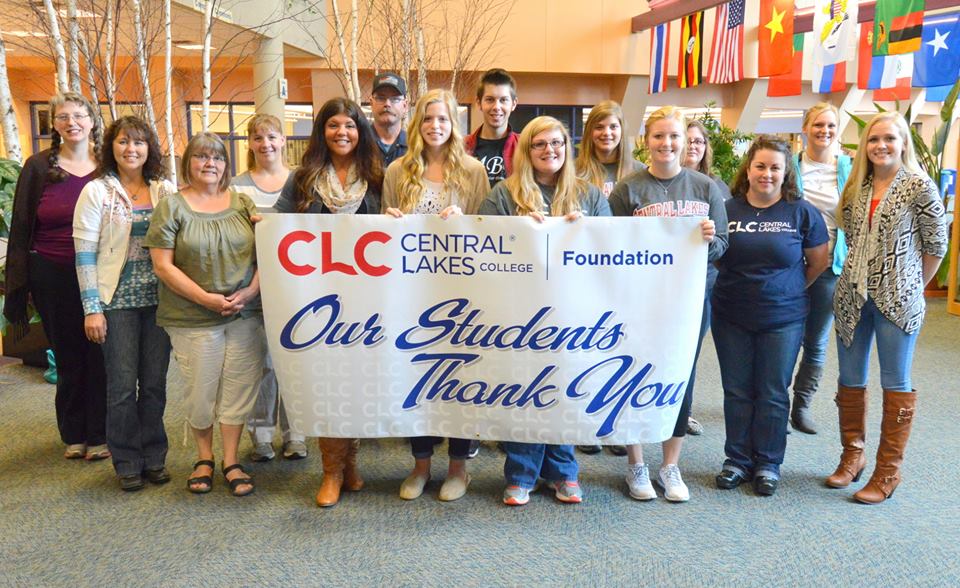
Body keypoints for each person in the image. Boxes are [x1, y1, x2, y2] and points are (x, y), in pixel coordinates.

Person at [480, 115, 611, 506]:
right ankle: (521, 471)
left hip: (573, 311)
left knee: (564, 385)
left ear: (567, 148)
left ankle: (563, 470)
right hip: (519, 310)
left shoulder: (589, 195)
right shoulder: (504, 193)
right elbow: (483, 240)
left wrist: (585, 230)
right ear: (527, 150)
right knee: (523, 388)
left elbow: (612, 248)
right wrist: (517, 230)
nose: (549, 150)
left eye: (556, 143)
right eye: (539, 144)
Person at [608, 106, 727, 503]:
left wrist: (710, 240)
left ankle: (669, 465)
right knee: (634, 373)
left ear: (685, 141)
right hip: (639, 302)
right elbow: (611, 247)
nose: (667, 144)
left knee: (680, 374)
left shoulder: (705, 188)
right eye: (658, 136)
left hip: (690, 302)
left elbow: (725, 245)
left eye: (674, 136)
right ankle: (636, 463)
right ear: (647, 140)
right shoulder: (628, 189)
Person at [830, 112, 947, 504]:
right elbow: (849, 234)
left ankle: (887, 472)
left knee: (895, 383)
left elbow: (936, 247)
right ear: (865, 146)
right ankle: (853, 455)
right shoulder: (857, 187)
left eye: (889, 139)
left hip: (898, 300)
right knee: (850, 379)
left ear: (903, 144)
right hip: (852, 296)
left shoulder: (919, 187)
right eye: (873, 139)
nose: (881, 146)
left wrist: (913, 282)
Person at [275, 97, 383, 507]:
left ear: (361, 132)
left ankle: (351, 463)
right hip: (317, 301)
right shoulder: (303, 178)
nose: (342, 133)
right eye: (334, 125)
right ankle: (331, 471)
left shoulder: (377, 177)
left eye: (350, 126)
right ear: (322, 131)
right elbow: (280, 224)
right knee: (329, 383)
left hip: (368, 301)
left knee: (357, 383)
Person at [383, 88, 489, 502]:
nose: (435, 126)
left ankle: (459, 468)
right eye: (428, 119)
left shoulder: (474, 171)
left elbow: (488, 229)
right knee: (419, 376)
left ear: (453, 125)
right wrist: (389, 219)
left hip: (462, 291)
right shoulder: (398, 171)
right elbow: (385, 233)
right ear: (417, 124)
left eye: (442, 119)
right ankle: (421, 464)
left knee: (460, 377)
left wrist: (467, 221)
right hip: (412, 293)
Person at [144, 132, 264, 497]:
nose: (209, 163)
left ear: (227, 165)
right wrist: (207, 299)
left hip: (245, 313)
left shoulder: (243, 203)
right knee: (200, 390)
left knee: (238, 387)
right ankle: (203, 457)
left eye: (217, 157)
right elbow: (163, 266)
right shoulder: (172, 206)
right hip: (192, 316)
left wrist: (251, 290)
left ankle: (230, 460)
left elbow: (266, 253)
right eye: (201, 156)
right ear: (188, 163)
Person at [712, 136, 829, 496]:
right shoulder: (727, 209)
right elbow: (715, 253)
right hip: (731, 313)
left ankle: (767, 463)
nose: (767, 173)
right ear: (748, 169)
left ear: (786, 173)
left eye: (775, 167)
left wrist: (786, 290)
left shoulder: (802, 211)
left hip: (784, 317)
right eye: (760, 166)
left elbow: (818, 262)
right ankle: (736, 460)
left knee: (773, 392)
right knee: (737, 391)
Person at [3, 92, 109, 461]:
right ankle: (74, 433)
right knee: (67, 355)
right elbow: (21, 225)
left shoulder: (109, 166)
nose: (71, 122)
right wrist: (21, 281)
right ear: (55, 125)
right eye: (62, 116)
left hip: (103, 274)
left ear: (92, 121)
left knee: (101, 355)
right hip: (52, 273)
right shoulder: (37, 167)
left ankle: (100, 433)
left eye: (79, 115)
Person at [72, 116, 175, 491]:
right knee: (119, 386)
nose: (131, 149)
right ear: (110, 147)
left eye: (139, 142)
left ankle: (154, 456)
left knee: (154, 385)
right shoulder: (96, 191)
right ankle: (127, 460)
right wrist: (92, 308)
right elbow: (84, 255)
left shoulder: (165, 190)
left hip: (160, 302)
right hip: (115, 302)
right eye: (123, 142)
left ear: (150, 149)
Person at [230, 113, 308, 462]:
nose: (266, 144)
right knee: (258, 364)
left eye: (272, 137)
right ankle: (261, 435)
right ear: (250, 143)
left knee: (294, 361)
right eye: (258, 138)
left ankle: (297, 434)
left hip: (295, 287)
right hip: (251, 287)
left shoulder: (300, 181)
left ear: (283, 140)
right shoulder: (236, 185)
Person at [572, 100, 632, 457]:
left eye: (613, 127)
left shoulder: (639, 171)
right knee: (587, 349)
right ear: (589, 133)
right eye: (599, 127)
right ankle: (586, 424)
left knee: (622, 351)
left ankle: (616, 424)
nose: (606, 134)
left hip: (625, 277)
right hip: (585, 275)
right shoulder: (575, 172)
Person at [788, 103, 852, 435]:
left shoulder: (848, 169)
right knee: (784, 336)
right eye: (818, 125)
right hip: (788, 266)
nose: (824, 131)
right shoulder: (791, 167)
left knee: (815, 340)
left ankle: (802, 406)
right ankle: (774, 404)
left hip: (829, 266)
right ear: (805, 127)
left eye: (830, 126)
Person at [680, 118, 732, 437]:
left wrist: (709, 243)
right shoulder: (658, 183)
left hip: (703, 284)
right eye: (686, 140)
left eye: (698, 141)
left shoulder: (716, 187)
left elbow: (725, 240)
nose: (693, 146)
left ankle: (682, 412)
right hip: (658, 287)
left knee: (690, 351)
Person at [465, 68, 520, 186]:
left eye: (503, 100)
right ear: (479, 103)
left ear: (513, 104)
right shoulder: (461, 147)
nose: (496, 106)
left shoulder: (524, 147)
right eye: (490, 100)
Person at [369, 72, 409, 168]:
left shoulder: (415, 147)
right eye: (380, 98)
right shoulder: (358, 143)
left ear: (405, 105)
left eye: (395, 99)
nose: (387, 104)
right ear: (371, 103)